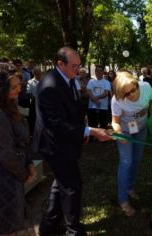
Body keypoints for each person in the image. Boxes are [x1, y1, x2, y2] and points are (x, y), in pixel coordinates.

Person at [33, 47, 111, 236]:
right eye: (74, 66)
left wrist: (82, 133)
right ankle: (73, 230)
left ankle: (49, 226)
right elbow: (57, 124)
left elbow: (74, 111)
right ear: (60, 63)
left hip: (66, 141)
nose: (78, 70)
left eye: (79, 65)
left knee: (60, 185)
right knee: (72, 187)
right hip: (55, 145)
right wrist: (90, 131)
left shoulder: (67, 79)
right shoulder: (50, 85)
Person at [0, 62, 36, 235]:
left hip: (13, 179)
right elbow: (6, 154)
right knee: (6, 229)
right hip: (3, 182)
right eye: (14, 87)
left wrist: (30, 163)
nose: (19, 89)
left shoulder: (10, 106)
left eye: (20, 84)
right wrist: (25, 174)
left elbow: (22, 141)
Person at [111, 71, 152, 216]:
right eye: (126, 94)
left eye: (133, 90)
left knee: (136, 161)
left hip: (141, 129)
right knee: (126, 162)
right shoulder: (116, 100)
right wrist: (119, 134)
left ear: (137, 84)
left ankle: (130, 188)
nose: (131, 95)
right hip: (126, 132)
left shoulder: (146, 87)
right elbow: (115, 122)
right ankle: (123, 199)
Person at [86, 65, 111, 129]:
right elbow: (88, 91)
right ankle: (92, 138)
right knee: (92, 125)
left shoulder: (107, 82)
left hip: (103, 107)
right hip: (92, 107)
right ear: (95, 72)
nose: (98, 72)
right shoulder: (91, 81)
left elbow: (106, 93)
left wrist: (95, 98)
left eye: (100, 71)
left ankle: (102, 139)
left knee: (103, 126)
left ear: (103, 72)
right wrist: (95, 100)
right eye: (97, 71)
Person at [26, 66, 42, 136]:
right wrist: (35, 98)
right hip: (34, 103)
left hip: (43, 102)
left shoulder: (44, 81)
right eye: (37, 74)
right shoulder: (30, 82)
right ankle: (33, 133)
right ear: (34, 74)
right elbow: (28, 93)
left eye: (40, 73)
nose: (39, 75)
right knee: (33, 118)